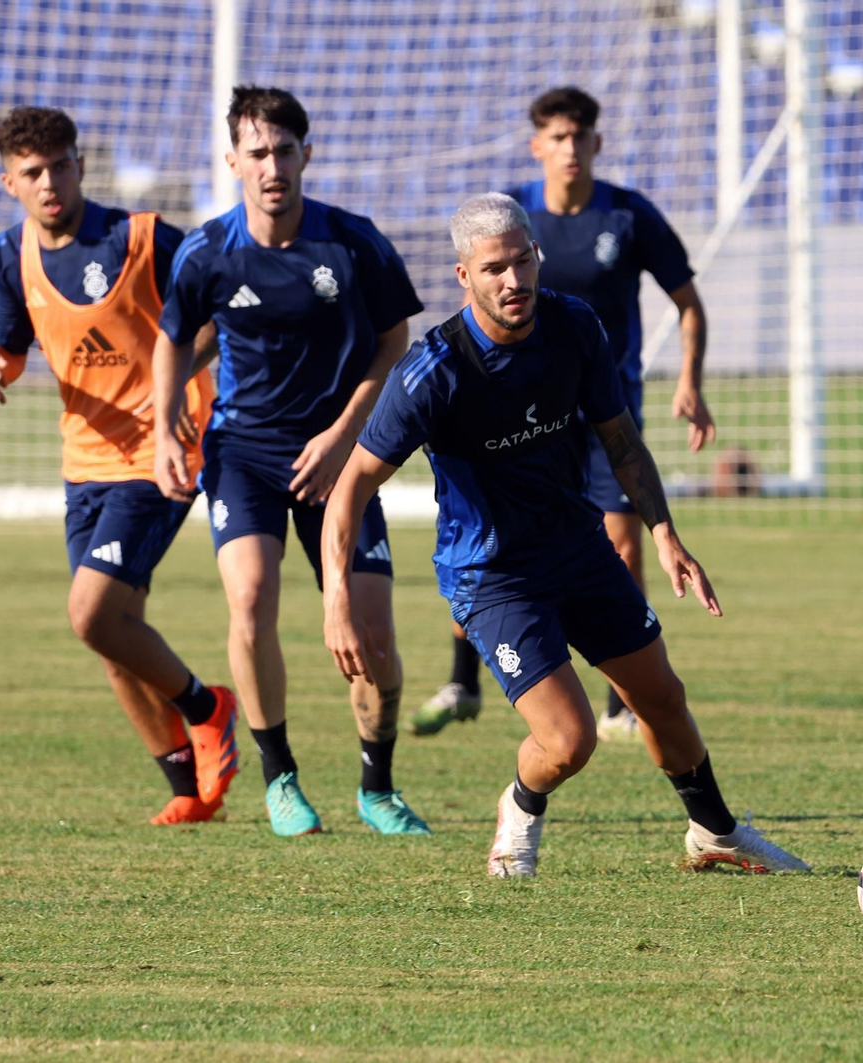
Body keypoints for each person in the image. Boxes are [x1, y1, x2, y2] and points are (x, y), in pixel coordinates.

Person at [323, 193, 805, 878]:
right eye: (495, 268)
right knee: (571, 740)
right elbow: (352, 487)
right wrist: (336, 599)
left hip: (578, 550)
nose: (514, 280)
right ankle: (520, 806)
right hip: (493, 575)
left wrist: (665, 533)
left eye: (524, 261)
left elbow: (623, 443)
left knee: (662, 698)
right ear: (464, 276)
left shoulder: (575, 326)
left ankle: (714, 830)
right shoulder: (433, 373)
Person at [152, 86, 427, 837]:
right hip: (243, 450)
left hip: (340, 455)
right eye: (258, 153)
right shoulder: (206, 251)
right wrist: (164, 425)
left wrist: (344, 434)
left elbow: (393, 340)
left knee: (370, 634)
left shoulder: (353, 242)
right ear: (234, 161)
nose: (273, 166)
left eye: (285, 150)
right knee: (249, 599)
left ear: (309, 153)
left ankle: (378, 787)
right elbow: (172, 336)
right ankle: (280, 778)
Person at [0, 106, 238, 825]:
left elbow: (216, 320)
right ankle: (185, 788)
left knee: (90, 616)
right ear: (9, 183)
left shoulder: (141, 239)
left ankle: (209, 708)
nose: (49, 181)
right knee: (117, 639)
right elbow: (13, 345)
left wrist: (177, 389)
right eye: (32, 172)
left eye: (60, 164)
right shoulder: (8, 255)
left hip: (162, 452)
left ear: (81, 166)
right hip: (83, 461)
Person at [414, 86, 713, 742]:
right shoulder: (512, 218)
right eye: (556, 137)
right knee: (492, 534)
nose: (570, 149)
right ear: (537, 146)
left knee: (622, 540)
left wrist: (689, 380)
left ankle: (620, 698)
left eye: (580, 136)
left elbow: (688, 302)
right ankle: (463, 676)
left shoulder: (629, 215)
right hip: (518, 404)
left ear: (597, 142)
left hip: (606, 405)